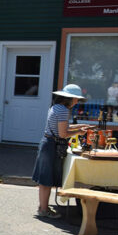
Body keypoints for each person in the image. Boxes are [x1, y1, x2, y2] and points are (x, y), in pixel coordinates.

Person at [32, 84, 91, 219]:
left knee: (44, 180)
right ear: (69, 99)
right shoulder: (64, 110)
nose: (77, 102)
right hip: (52, 145)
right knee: (47, 180)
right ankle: (44, 210)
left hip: (47, 143)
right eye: (76, 99)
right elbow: (63, 133)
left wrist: (80, 126)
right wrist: (80, 131)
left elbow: (62, 127)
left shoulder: (56, 107)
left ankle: (42, 207)